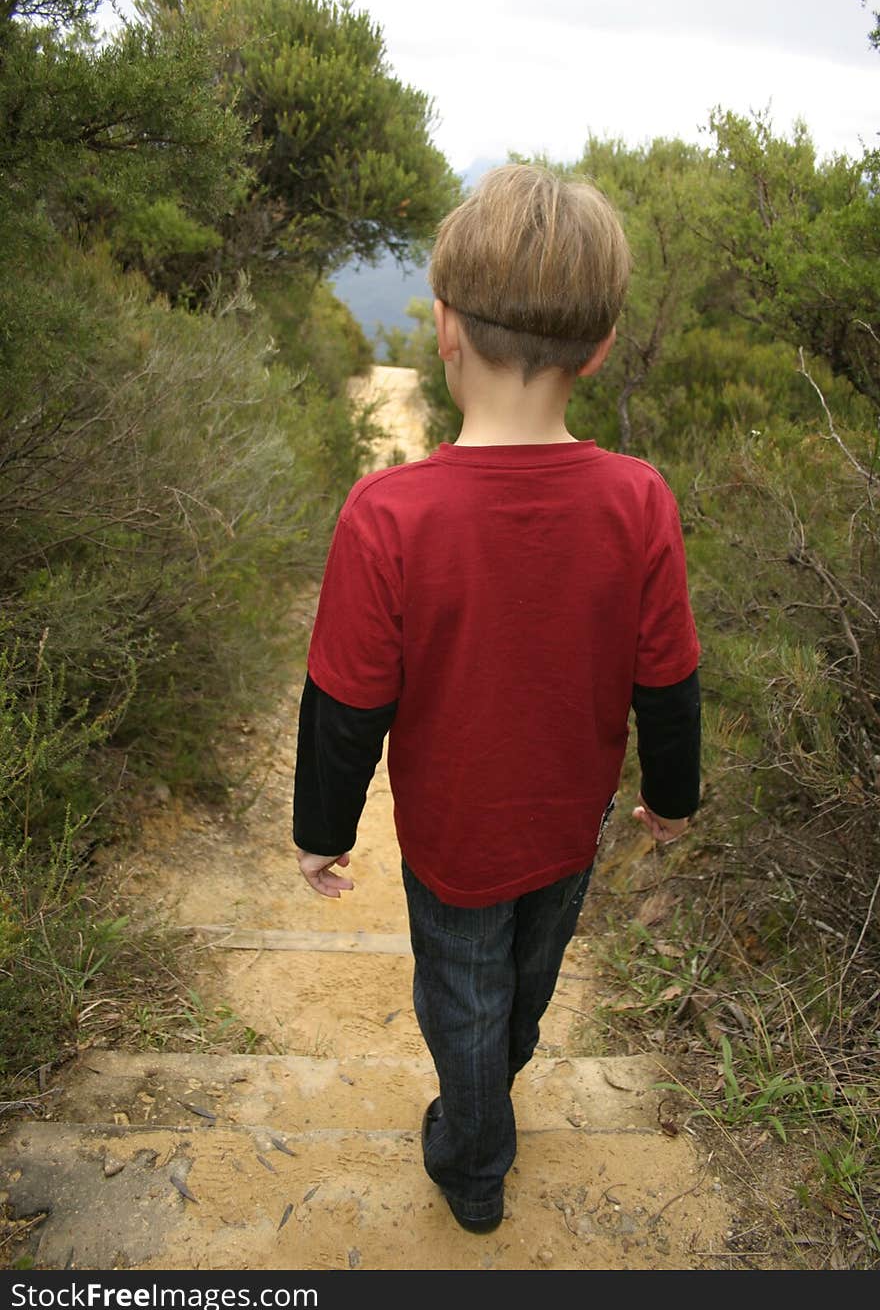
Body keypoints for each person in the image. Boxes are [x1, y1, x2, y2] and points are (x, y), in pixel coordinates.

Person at [292, 163, 701, 1235]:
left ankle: (471, 1157)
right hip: (570, 826)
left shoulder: (389, 513)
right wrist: (676, 795)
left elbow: (345, 704)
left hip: (451, 836)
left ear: (445, 333)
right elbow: (667, 675)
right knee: (524, 983)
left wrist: (318, 833)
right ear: (600, 347)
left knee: (460, 997)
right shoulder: (638, 499)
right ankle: (488, 1106)